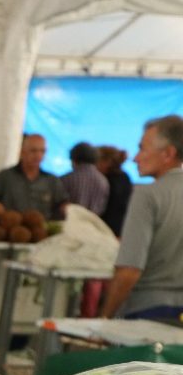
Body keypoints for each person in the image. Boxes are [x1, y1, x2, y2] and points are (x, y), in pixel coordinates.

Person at [99, 115, 183, 319]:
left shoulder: (147, 195)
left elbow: (129, 270)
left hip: (147, 311)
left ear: (168, 154)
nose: (135, 157)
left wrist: (104, 320)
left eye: (142, 149)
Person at [0, 134, 67, 220]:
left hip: (43, 231)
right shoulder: (5, 177)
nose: (38, 155)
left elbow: (64, 206)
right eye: (33, 151)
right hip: (11, 229)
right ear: (22, 152)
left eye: (42, 151)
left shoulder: (52, 181)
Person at [62, 142, 109, 216]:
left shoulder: (66, 179)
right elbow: (101, 208)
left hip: (69, 222)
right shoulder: (104, 181)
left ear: (74, 159)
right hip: (92, 224)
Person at [98, 145, 134, 237]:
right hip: (122, 228)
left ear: (106, 162)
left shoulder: (105, 179)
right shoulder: (125, 177)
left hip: (105, 229)